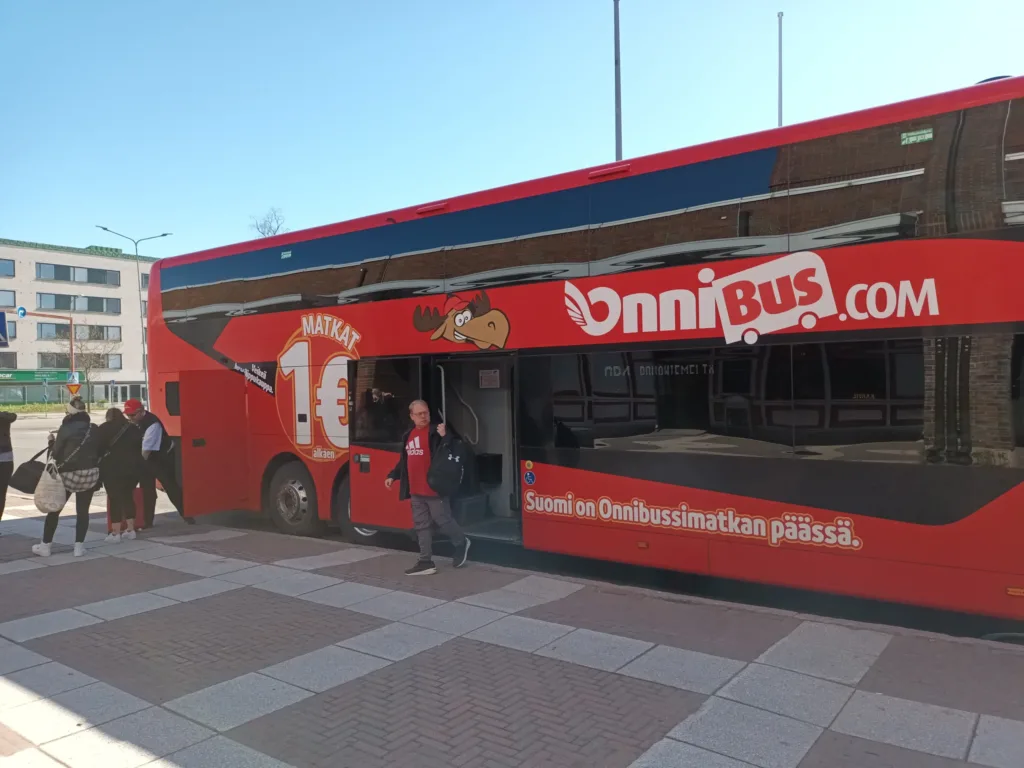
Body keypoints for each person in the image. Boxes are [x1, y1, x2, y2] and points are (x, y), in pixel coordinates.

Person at [385, 399, 470, 576]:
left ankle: (461, 542)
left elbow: (456, 449)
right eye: (419, 414)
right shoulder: (408, 435)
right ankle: (425, 561)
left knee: (443, 521)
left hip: (434, 488)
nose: (424, 416)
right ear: (412, 416)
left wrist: (446, 436)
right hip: (416, 490)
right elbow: (405, 460)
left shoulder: (436, 432)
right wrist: (393, 475)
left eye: (426, 413)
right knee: (421, 526)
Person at [32, 397, 99, 558]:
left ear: (70, 412)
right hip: (89, 475)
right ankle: (79, 547)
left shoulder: (66, 428)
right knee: (83, 511)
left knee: (54, 509)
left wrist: (50, 443)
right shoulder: (94, 428)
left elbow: (55, 455)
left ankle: (45, 546)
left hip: (67, 475)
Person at [122, 399, 192, 526]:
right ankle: (147, 521)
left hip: (162, 459)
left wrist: (134, 464)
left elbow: (146, 451)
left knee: (171, 487)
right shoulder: (134, 423)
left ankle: (187, 515)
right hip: (147, 459)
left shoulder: (152, 424)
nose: (130, 418)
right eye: (127, 415)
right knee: (147, 490)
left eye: (132, 415)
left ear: (141, 411)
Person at [96, 407, 143, 543]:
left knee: (114, 499)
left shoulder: (104, 428)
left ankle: (115, 533)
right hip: (132, 469)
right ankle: (130, 530)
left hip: (112, 469)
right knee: (128, 497)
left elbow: (98, 449)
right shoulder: (133, 428)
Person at [0, 411, 16, 529]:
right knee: (1, 494)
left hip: (5, 459)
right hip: (6, 460)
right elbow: (13, 416)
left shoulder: (4, 417)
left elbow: (13, 416)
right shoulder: (4, 417)